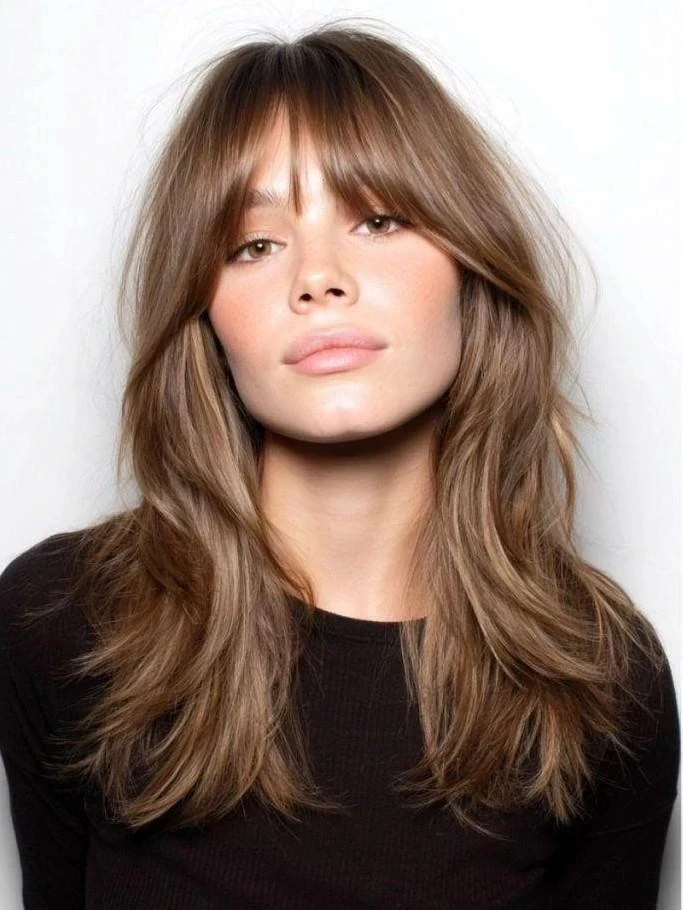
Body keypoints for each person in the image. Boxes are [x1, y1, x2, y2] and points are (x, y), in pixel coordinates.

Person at [0, 20, 679, 910]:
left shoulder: (599, 675)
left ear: (472, 269)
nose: (317, 278)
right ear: (203, 317)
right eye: (253, 245)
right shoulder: (63, 621)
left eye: (379, 219)